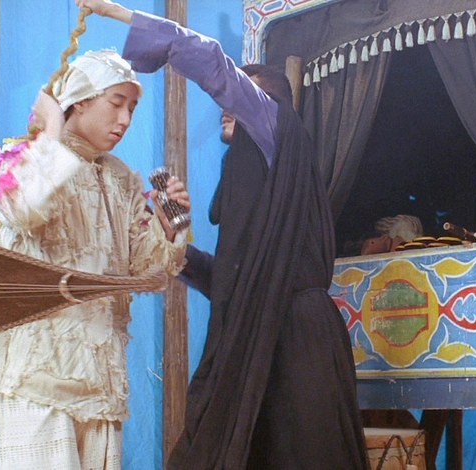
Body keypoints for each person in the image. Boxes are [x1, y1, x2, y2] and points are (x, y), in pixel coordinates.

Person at [77, 1, 369, 468]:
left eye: (243, 98)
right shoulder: (254, 181)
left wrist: (121, 14)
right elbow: (234, 282)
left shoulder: (279, 131)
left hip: (297, 341)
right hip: (258, 332)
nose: (226, 108)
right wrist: (175, 241)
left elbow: (214, 64)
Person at [0, 48, 189, 469]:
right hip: (39, 381)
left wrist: (168, 230)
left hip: (101, 383)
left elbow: (147, 275)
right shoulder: (26, 157)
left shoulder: (122, 180)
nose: (125, 120)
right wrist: (52, 128)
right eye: (116, 103)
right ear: (79, 101)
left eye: (132, 108)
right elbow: (23, 207)